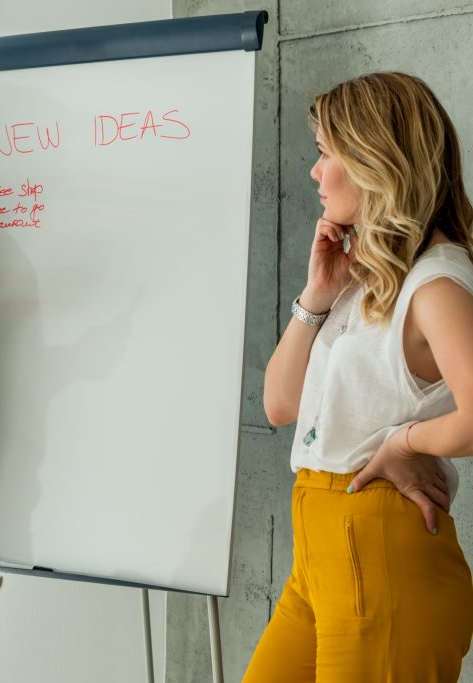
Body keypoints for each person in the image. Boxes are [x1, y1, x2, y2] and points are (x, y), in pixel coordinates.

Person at [245, 72, 473, 681]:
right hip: (318, 553)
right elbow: (279, 404)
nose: (314, 173)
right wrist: (317, 295)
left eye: (325, 153)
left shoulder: (437, 281)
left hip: (380, 554)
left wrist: (403, 443)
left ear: (375, 158)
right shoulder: (370, 276)